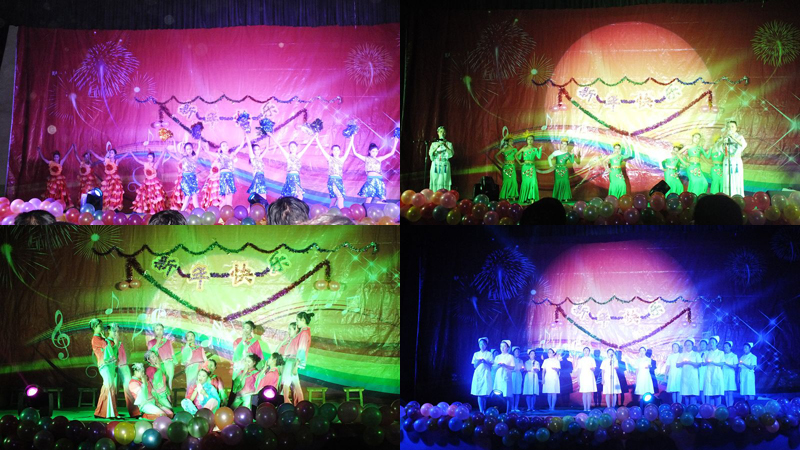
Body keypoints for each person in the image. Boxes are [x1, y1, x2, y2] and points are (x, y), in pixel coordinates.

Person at [269, 131, 314, 201]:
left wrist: (314, 137)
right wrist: (271, 135)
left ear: (296, 147)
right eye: (291, 147)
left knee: (299, 195)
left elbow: (307, 146)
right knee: (289, 195)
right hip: (290, 177)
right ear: (289, 148)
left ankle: (296, 207)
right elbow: (279, 145)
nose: (292, 148)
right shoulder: (288, 156)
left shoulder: (298, 156)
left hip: (296, 177)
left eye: (294, 146)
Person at [315, 134, 353, 209]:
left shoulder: (342, 159)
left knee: (334, 199)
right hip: (333, 180)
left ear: (340, 151)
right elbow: (322, 149)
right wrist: (317, 139)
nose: (336, 151)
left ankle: (330, 212)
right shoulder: (330, 158)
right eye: (334, 150)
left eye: (337, 150)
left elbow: (348, 150)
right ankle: (342, 213)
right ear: (332, 151)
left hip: (339, 180)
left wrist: (352, 139)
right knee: (340, 197)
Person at [90, 318, 118, 419]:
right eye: (99, 326)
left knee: (108, 387)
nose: (102, 328)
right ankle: (104, 412)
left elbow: (112, 345)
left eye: (102, 326)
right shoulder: (95, 339)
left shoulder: (101, 338)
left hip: (108, 365)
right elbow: (108, 345)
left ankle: (101, 412)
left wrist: (105, 338)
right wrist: (105, 338)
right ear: (94, 327)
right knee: (108, 386)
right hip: (104, 365)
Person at [170, 136, 203, 211]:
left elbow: (199, 148)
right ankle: (181, 213)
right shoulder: (183, 158)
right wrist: (174, 141)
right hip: (186, 179)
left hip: (193, 179)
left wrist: (199, 139)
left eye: (190, 149)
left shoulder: (195, 157)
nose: (189, 150)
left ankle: (199, 213)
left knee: (194, 198)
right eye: (187, 149)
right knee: (187, 197)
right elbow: (176, 151)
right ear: (185, 150)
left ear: (192, 149)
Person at [110, 324, 136, 418]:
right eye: (114, 331)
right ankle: (112, 412)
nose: (116, 333)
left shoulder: (121, 342)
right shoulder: (108, 342)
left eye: (118, 331)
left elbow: (124, 354)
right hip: (113, 367)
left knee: (129, 388)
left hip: (123, 366)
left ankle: (134, 412)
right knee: (113, 389)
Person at [213, 136, 246, 208]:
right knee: (228, 194)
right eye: (223, 145)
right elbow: (208, 152)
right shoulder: (219, 155)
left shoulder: (231, 155)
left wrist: (243, 140)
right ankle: (229, 208)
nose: (225, 147)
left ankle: (221, 209)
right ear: (221, 148)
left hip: (230, 176)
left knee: (229, 195)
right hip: (224, 176)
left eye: (226, 145)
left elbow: (240, 147)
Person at [291, 311, 313, 405]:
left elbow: (301, 350)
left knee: (296, 386)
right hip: (296, 362)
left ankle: (300, 405)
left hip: (297, 363)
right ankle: (298, 404)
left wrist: (296, 366)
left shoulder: (304, 333)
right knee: (295, 386)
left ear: (303, 320)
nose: (296, 323)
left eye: (297, 320)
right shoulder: (303, 331)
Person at [721, 120, 746, 196]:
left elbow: (743, 145)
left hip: (736, 161)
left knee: (737, 178)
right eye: (729, 127)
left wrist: (733, 137)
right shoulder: (725, 138)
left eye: (732, 126)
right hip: (727, 160)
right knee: (727, 178)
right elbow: (721, 150)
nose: (730, 128)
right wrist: (723, 143)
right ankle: (727, 196)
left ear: (736, 128)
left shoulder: (740, 137)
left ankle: (737, 196)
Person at [146, 323, 175, 390]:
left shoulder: (168, 341)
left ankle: (169, 394)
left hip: (169, 363)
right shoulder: (151, 342)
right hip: (158, 365)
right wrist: (157, 343)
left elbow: (172, 352)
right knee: (161, 382)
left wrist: (174, 361)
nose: (159, 331)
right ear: (154, 331)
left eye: (161, 329)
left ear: (163, 330)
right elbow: (150, 354)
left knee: (169, 381)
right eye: (157, 329)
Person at [98, 143, 125, 211]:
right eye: (110, 153)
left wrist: (128, 153)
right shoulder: (106, 161)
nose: (110, 154)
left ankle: (114, 208)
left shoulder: (116, 161)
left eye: (112, 153)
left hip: (115, 180)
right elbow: (99, 157)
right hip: (107, 181)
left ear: (115, 154)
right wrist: (92, 152)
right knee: (107, 194)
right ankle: (107, 208)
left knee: (114, 194)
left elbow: (122, 157)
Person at [279, 322, 300, 405]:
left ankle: (296, 405)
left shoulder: (296, 341)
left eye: (290, 329)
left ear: (296, 330)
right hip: (285, 367)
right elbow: (277, 353)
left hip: (291, 365)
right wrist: (283, 342)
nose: (288, 331)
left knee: (294, 387)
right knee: (287, 387)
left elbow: (298, 355)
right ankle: (288, 404)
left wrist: (296, 366)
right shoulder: (288, 342)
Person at [517, 135, 541, 204]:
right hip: (525, 167)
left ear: (533, 141)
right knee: (525, 182)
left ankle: (532, 198)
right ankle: (525, 198)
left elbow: (539, 157)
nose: (530, 141)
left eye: (531, 139)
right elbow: (516, 155)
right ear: (526, 140)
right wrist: (520, 163)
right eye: (528, 139)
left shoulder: (535, 149)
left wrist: (540, 149)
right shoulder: (524, 148)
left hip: (532, 167)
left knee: (533, 181)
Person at [471, 337, 493, 413]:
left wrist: (485, 361)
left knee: (485, 392)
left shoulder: (489, 354)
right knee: (479, 392)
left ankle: (484, 409)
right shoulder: (476, 354)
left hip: (486, 373)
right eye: (480, 344)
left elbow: (491, 365)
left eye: (483, 344)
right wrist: (479, 361)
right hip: (478, 374)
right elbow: (474, 366)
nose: (482, 345)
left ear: (486, 345)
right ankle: (481, 410)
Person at [244, 132, 269, 199]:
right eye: (255, 150)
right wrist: (246, 133)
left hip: (262, 179)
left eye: (258, 149)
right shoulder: (253, 158)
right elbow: (249, 145)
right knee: (257, 198)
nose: (257, 151)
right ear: (253, 151)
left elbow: (267, 148)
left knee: (263, 198)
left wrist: (267, 135)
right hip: (257, 179)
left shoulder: (260, 158)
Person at [677, 338, 701, 405]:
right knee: (686, 394)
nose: (687, 346)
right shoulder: (682, 354)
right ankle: (687, 408)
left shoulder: (696, 354)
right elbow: (677, 365)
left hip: (693, 377)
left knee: (692, 394)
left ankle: (692, 408)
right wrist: (683, 363)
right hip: (685, 376)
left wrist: (690, 362)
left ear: (692, 346)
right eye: (686, 345)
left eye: (689, 345)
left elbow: (699, 364)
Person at [429, 126, 453, 191]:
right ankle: (434, 193)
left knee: (444, 179)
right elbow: (431, 154)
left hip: (444, 164)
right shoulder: (434, 144)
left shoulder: (449, 144)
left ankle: (445, 194)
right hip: (436, 164)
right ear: (438, 133)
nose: (442, 133)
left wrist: (445, 146)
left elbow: (451, 154)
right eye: (441, 131)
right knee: (435, 178)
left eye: (444, 132)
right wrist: (437, 147)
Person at [493, 340, 515, 412]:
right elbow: (494, 368)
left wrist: (505, 365)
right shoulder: (497, 357)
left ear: (507, 348)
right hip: (499, 377)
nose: (502, 348)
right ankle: (498, 411)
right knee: (498, 395)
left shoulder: (510, 357)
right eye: (501, 346)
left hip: (506, 377)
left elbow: (512, 367)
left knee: (507, 395)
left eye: (504, 346)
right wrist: (499, 365)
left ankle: (507, 412)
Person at [703, 336, 725, 406]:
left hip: (717, 373)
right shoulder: (706, 353)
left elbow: (722, 363)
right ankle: (711, 410)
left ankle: (718, 409)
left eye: (713, 342)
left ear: (716, 343)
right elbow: (703, 363)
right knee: (710, 393)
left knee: (717, 393)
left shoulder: (720, 353)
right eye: (710, 342)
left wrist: (713, 363)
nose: (711, 344)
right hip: (709, 373)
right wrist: (707, 362)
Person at [578, 347, 597, 412]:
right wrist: (578, 378)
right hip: (583, 376)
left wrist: (592, 369)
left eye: (587, 351)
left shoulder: (592, 359)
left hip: (590, 376)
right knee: (584, 392)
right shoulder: (581, 360)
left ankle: (588, 408)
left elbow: (594, 369)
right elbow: (579, 369)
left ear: (589, 352)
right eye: (585, 351)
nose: (586, 352)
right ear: (583, 352)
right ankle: (584, 408)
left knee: (589, 393)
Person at [722, 341, 738, 406]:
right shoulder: (722, 355)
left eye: (727, 347)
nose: (725, 348)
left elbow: (735, 366)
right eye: (724, 347)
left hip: (730, 374)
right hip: (723, 374)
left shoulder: (734, 355)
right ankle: (727, 406)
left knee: (730, 391)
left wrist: (726, 364)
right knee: (725, 392)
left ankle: (730, 406)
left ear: (730, 347)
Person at [510, 346, 523, 411]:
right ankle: (512, 407)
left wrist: (522, 369)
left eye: (518, 352)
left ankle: (516, 407)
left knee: (518, 392)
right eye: (516, 351)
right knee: (512, 392)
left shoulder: (521, 360)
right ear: (514, 352)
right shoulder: (511, 359)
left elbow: (522, 368)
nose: (517, 353)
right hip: (512, 375)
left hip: (518, 375)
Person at [697, 339, 708, 404]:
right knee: (701, 388)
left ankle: (708, 403)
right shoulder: (698, 354)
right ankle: (703, 403)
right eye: (701, 344)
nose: (702, 346)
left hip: (707, 371)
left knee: (707, 388)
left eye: (704, 344)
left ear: (706, 345)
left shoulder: (709, 353)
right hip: (700, 371)